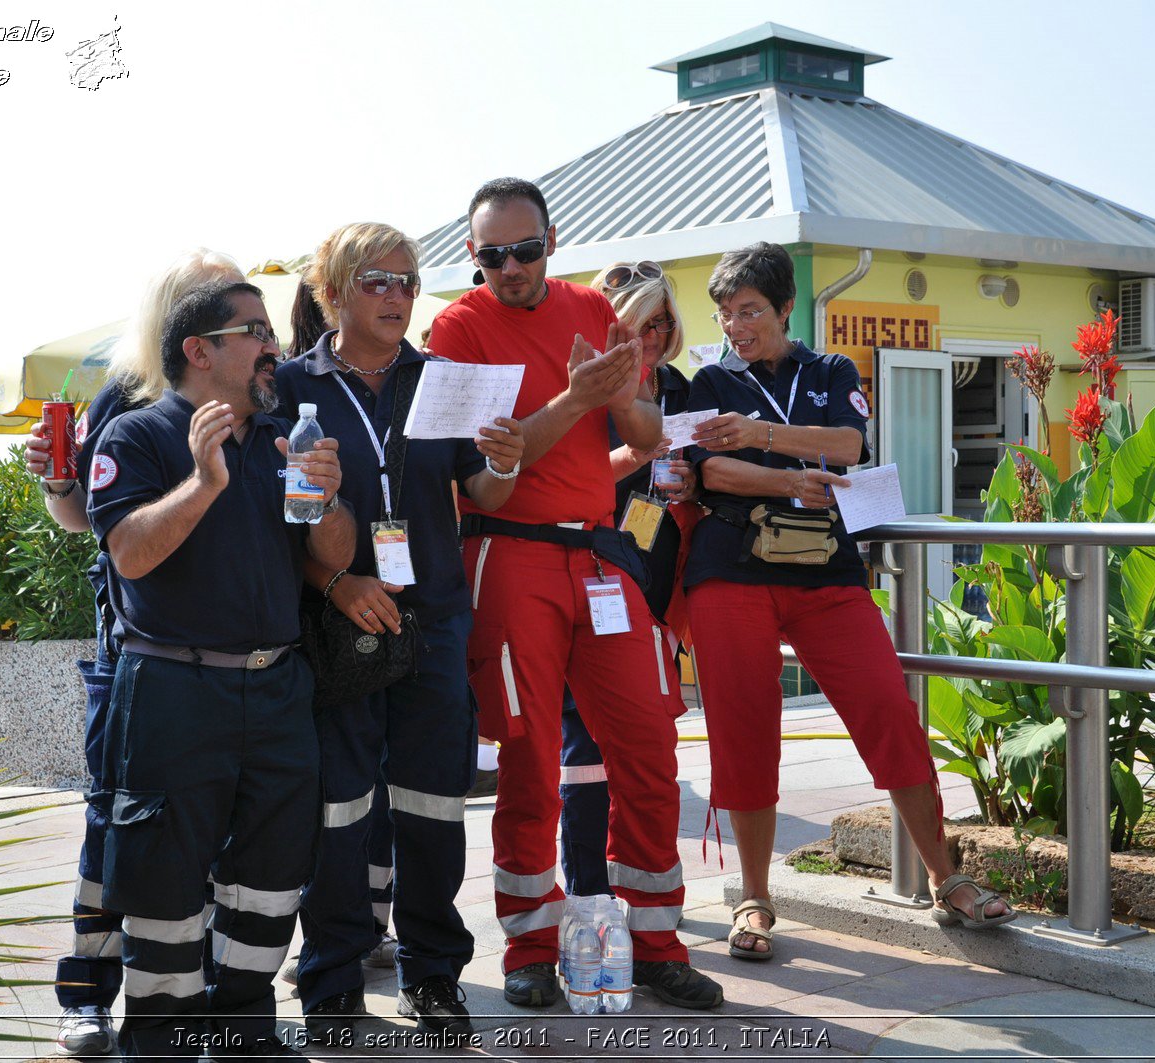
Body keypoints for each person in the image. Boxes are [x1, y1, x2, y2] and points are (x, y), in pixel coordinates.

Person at [427, 178, 723, 1010]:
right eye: (492, 255)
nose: (509, 267)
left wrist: (621, 395)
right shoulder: (456, 326)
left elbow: (646, 434)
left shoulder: (596, 311)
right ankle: (527, 943)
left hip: (599, 557)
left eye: (524, 250)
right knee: (528, 761)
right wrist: (577, 397)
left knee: (648, 746)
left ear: (552, 241)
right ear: (473, 256)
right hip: (510, 553)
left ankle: (658, 940)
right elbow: (493, 467)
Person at [685, 242, 1016, 962]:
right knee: (743, 728)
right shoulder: (706, 378)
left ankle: (945, 875)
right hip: (730, 570)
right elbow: (708, 466)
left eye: (749, 311)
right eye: (725, 314)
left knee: (887, 707)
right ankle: (753, 896)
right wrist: (780, 477)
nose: (736, 326)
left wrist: (762, 437)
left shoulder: (830, 369)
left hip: (826, 571)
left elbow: (846, 442)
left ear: (784, 308)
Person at [87, 278, 354, 1059]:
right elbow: (131, 553)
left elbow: (329, 560)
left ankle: (243, 1033)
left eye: (269, 331)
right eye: (255, 332)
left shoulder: (283, 436)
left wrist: (330, 502)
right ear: (199, 351)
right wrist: (204, 483)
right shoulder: (137, 436)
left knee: (272, 877)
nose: (274, 346)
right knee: (163, 881)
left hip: (277, 686)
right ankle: (161, 1042)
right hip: (174, 687)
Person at [276, 222, 526, 1041]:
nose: (397, 297)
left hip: (433, 618)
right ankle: (332, 978)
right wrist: (338, 582)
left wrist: (507, 459)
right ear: (335, 291)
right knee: (340, 807)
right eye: (378, 281)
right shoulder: (286, 387)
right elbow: (275, 524)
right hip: (337, 615)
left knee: (430, 805)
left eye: (409, 282)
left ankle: (433, 973)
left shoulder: (444, 379)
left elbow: (480, 490)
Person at [24, 249, 246, 1058]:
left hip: (226, 661)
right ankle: (85, 994)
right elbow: (84, 516)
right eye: (214, 299)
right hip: (136, 650)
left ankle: (197, 1003)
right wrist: (55, 484)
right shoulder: (126, 393)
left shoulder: (260, 389)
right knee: (113, 824)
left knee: (213, 836)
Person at [558, 260, 695, 899]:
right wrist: (635, 453)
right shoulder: (582, 384)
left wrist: (696, 477)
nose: (652, 334)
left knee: (648, 748)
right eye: (639, 322)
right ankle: (588, 892)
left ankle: (639, 895)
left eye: (663, 321)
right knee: (586, 745)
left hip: (659, 583)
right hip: (593, 577)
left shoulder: (682, 387)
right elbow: (564, 480)